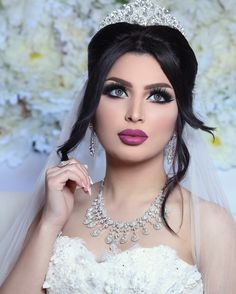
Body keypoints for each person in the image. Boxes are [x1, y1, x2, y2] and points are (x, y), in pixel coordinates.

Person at [0, 0, 235, 293]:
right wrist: (50, 223)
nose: (134, 113)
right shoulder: (59, 210)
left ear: (179, 115)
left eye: (158, 96)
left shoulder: (210, 224)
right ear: (92, 106)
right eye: (116, 91)